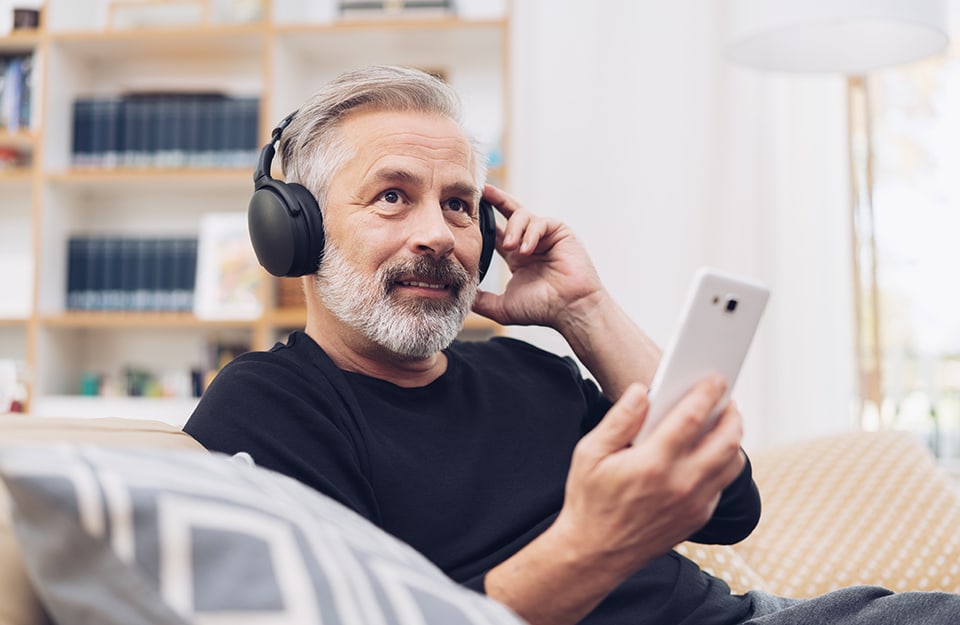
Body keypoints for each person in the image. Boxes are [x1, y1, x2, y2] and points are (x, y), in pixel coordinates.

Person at [184, 65, 959, 625]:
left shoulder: (530, 369)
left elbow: (729, 505)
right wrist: (591, 544)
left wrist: (583, 309)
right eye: (393, 196)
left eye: (460, 205)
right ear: (297, 230)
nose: (437, 235)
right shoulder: (266, 407)